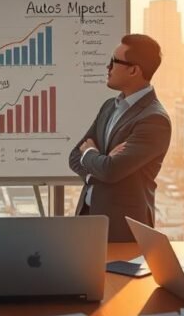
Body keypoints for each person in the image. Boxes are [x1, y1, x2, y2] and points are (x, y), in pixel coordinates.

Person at [68, 34, 172, 242]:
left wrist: (90, 154)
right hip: (88, 218)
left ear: (134, 70)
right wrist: (98, 166)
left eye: (114, 61)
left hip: (123, 228)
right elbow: (73, 156)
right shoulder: (109, 107)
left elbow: (111, 170)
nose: (108, 67)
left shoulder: (153, 119)